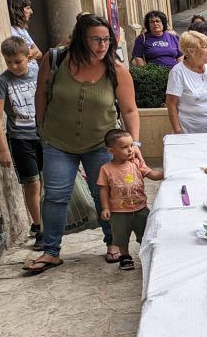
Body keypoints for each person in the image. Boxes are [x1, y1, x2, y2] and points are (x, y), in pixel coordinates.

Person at [26, 14, 143, 273]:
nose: (103, 45)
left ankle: (113, 244)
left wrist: (134, 143)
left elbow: (130, 110)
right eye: (96, 39)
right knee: (55, 196)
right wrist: (43, 129)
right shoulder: (55, 59)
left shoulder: (117, 70)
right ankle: (51, 251)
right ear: (81, 38)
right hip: (58, 142)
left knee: (104, 194)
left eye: (106, 39)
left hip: (102, 144)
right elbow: (41, 95)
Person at [0, 37, 42, 249]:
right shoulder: (3, 82)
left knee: (51, 182)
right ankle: (39, 226)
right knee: (32, 183)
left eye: (18, 61)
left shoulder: (39, 74)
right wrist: (2, 149)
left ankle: (52, 222)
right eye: (8, 62)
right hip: (20, 138)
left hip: (45, 135)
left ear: (28, 57)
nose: (13, 66)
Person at [97, 129, 163, 271]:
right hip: (118, 212)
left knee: (146, 233)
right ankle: (125, 256)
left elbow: (152, 174)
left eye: (131, 145)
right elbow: (103, 189)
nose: (130, 150)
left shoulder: (136, 163)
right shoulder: (106, 169)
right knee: (121, 236)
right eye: (124, 147)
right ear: (111, 151)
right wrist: (105, 208)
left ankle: (147, 254)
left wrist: (165, 173)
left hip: (141, 208)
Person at [166, 31, 207, 134]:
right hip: (190, 132)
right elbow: (171, 103)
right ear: (191, 51)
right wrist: (178, 131)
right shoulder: (178, 71)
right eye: (204, 47)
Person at [8, 0, 42, 68]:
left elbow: (39, 53)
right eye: (28, 8)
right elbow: (18, 56)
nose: (31, 12)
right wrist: (31, 52)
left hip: (34, 73)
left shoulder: (23, 30)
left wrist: (29, 53)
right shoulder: (10, 30)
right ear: (18, 10)